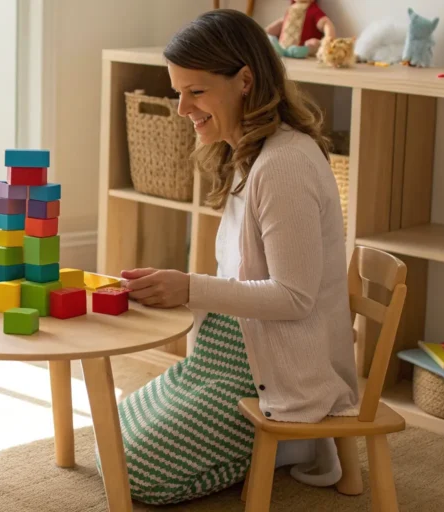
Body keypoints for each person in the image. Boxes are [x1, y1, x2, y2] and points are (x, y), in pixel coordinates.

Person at [111, 9, 360, 505]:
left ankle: (289, 446)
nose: (182, 109)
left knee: (137, 473)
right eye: (177, 91)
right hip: (227, 356)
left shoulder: (283, 165)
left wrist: (189, 287)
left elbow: (295, 297)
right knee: (108, 433)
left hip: (270, 373)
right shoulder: (250, 152)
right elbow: (245, 276)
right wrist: (179, 292)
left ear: (245, 81)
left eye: (195, 92)